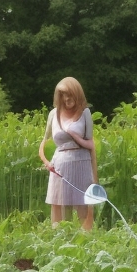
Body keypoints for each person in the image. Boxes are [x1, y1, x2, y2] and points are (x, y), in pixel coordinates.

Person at [38, 77, 97, 230]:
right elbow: (44, 142)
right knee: (60, 205)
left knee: (83, 203)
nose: (66, 98)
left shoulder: (85, 112)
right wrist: (46, 162)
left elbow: (91, 144)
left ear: (77, 94)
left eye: (70, 94)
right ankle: (60, 237)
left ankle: (86, 238)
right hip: (59, 165)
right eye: (63, 95)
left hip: (81, 163)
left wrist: (95, 177)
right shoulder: (53, 114)